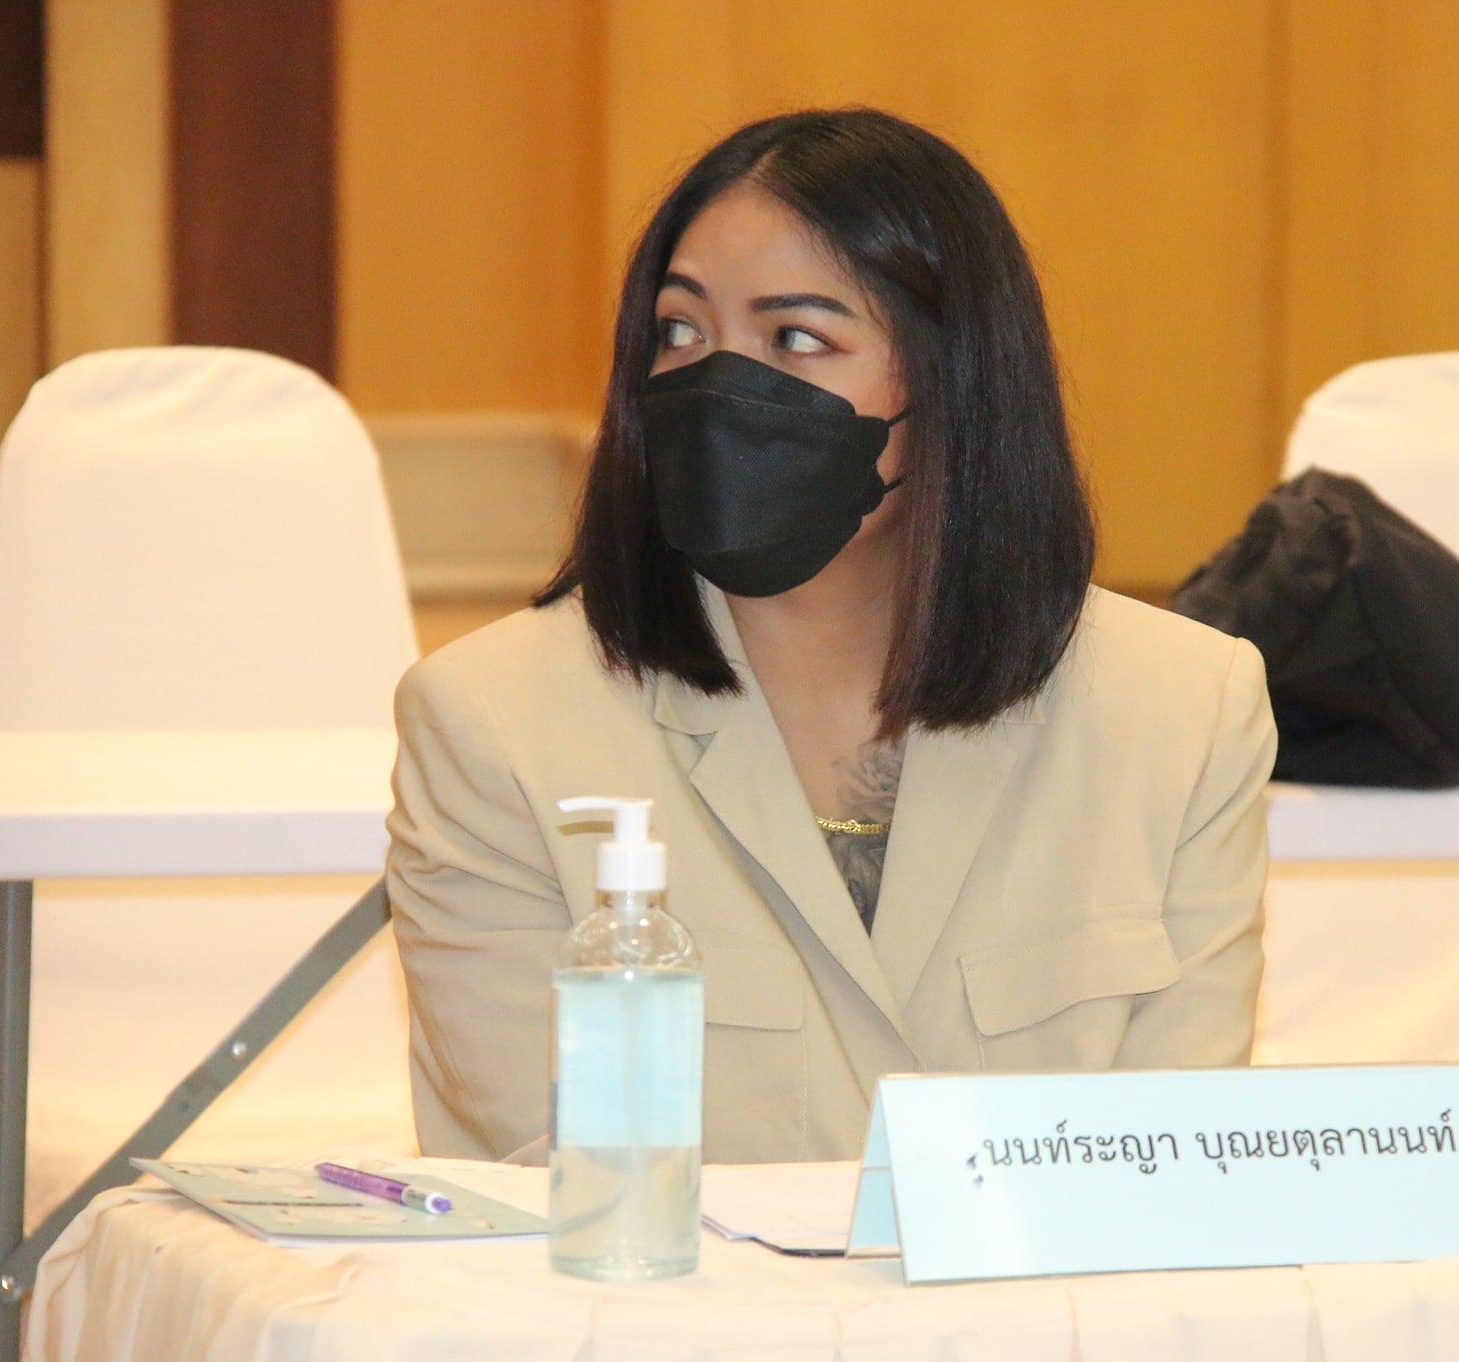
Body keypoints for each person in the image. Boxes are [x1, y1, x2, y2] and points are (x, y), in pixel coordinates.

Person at [386, 107, 1277, 1166]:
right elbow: (560, 1162)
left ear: (953, 383)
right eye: (680, 332)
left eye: (796, 339)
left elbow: (1174, 1158)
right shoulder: (492, 722)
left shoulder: (1182, 707)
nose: (718, 385)